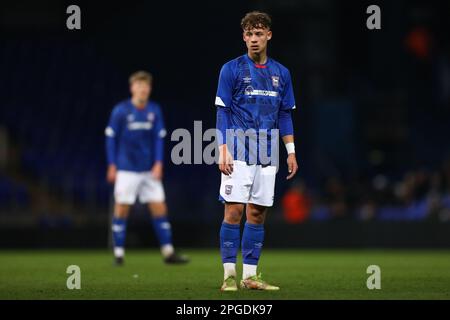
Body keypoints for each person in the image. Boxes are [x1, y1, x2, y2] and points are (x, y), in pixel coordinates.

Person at [215, 11, 298, 291]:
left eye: (258, 33)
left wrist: (291, 151)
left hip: (267, 152)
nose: (253, 39)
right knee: (234, 211)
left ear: (268, 35)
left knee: (257, 214)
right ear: (243, 37)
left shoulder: (281, 73)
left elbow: (285, 114)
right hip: (237, 149)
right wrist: (222, 149)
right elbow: (222, 111)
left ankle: (250, 277)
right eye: (249, 34)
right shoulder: (231, 69)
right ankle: (229, 276)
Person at [105, 71, 189, 265]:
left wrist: (159, 163)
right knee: (122, 209)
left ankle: (168, 252)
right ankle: (118, 254)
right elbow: (110, 138)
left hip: (149, 170)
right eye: (139, 85)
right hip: (126, 169)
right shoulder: (121, 110)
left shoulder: (154, 110)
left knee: (160, 207)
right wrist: (112, 165)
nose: (143, 89)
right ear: (132, 88)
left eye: (146, 86)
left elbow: (159, 139)